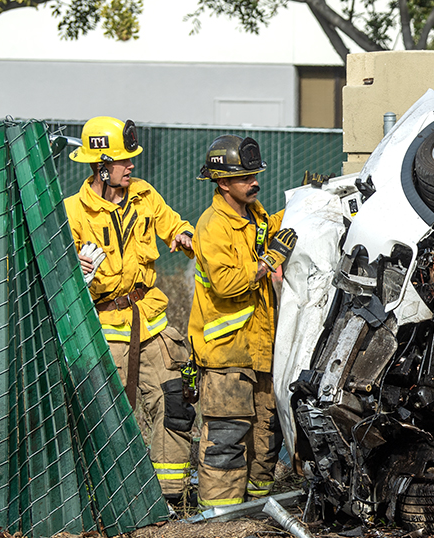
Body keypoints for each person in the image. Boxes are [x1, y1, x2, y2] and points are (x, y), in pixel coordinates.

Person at [63, 115, 195, 503]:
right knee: (102, 417)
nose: (131, 165)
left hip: (151, 322)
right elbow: (59, 271)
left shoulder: (144, 195)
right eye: (123, 160)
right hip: (103, 329)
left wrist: (183, 234)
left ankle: (169, 497)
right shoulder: (73, 211)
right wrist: (73, 264)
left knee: (175, 402)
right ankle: (106, 500)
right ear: (101, 167)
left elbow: (173, 224)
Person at [189, 135, 295, 509]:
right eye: (245, 177)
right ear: (222, 182)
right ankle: (220, 517)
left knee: (266, 435)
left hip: (260, 350)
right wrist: (268, 261)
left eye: (255, 174)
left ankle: (256, 510)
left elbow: (271, 230)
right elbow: (227, 283)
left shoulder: (254, 215)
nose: (254, 182)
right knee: (227, 437)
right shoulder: (212, 226)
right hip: (226, 356)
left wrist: (307, 201)